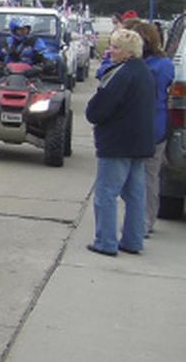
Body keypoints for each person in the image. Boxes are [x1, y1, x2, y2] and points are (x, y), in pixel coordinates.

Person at [85, 28, 155, 256]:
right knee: (135, 194)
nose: (110, 51)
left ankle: (105, 241)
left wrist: (92, 113)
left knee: (106, 193)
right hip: (140, 141)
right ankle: (133, 241)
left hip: (117, 142)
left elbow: (100, 107)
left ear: (126, 52)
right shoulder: (144, 72)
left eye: (115, 47)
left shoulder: (120, 74)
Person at [128, 20, 173, 237]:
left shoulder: (161, 65)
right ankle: (140, 219)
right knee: (135, 178)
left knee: (148, 176)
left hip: (154, 126)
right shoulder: (135, 63)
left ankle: (145, 221)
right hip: (134, 125)